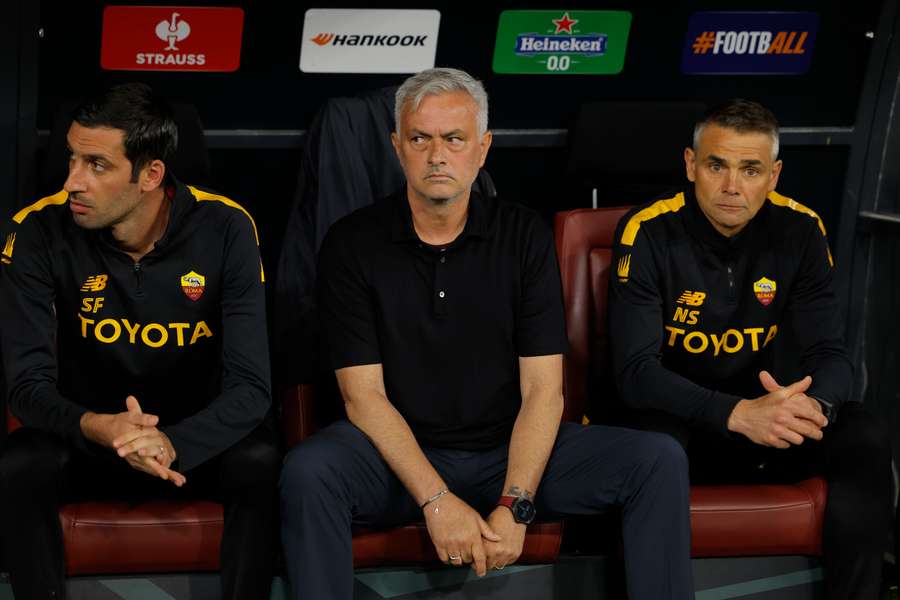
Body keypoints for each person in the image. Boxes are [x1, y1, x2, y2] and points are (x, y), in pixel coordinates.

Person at [280, 67, 695, 600]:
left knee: (656, 460)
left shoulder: (523, 235)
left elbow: (544, 390)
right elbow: (363, 399)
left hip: (508, 452)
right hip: (397, 461)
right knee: (309, 472)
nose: (437, 156)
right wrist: (436, 499)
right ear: (396, 146)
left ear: (482, 147)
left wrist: (515, 503)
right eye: (420, 139)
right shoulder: (351, 243)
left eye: (454, 139)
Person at [0, 83, 280, 600]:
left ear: (150, 174)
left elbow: (252, 387)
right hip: (88, 439)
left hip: (192, 446)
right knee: (21, 462)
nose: (72, 183)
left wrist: (175, 442)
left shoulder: (226, 227)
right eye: (71, 159)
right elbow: (26, 385)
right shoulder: (37, 229)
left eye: (96, 165)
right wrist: (99, 427)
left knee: (259, 460)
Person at [608, 98, 892, 599]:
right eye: (717, 165)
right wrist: (734, 413)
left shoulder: (801, 228)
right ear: (692, 165)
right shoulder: (648, 229)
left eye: (751, 169)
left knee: (863, 431)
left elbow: (831, 352)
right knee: (653, 443)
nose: (732, 186)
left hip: (767, 428)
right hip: (680, 424)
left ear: (775, 174)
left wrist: (810, 407)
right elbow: (635, 373)